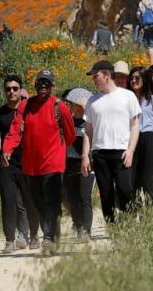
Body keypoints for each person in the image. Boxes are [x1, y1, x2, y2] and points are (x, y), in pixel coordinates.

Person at [3, 70, 75, 255]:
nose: (43, 85)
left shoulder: (60, 107)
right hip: (31, 165)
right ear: (34, 85)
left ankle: (49, 238)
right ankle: (51, 237)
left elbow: (70, 134)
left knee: (52, 201)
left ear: (52, 86)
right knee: (38, 203)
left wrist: (58, 150)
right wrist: (8, 149)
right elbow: (15, 130)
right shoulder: (25, 106)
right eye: (40, 82)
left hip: (53, 163)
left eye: (47, 83)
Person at [0, 74, 39, 253]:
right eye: (8, 89)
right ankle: (9, 240)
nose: (11, 92)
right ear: (4, 91)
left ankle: (33, 236)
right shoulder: (0, 113)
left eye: (15, 88)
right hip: (6, 163)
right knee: (8, 201)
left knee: (30, 201)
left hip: (28, 161)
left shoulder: (30, 110)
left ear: (20, 90)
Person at [81, 61, 140, 222]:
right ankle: (113, 229)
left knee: (125, 190)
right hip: (99, 153)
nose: (93, 79)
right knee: (105, 195)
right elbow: (88, 130)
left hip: (122, 151)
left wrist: (131, 150)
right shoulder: (92, 101)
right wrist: (85, 156)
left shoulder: (127, 96)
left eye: (96, 76)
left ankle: (128, 227)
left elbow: (135, 126)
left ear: (107, 75)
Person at [127, 67, 153, 208]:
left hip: (150, 138)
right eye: (131, 78)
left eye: (137, 78)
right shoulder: (126, 99)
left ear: (144, 79)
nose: (133, 81)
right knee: (133, 180)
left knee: (150, 180)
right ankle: (135, 215)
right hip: (132, 140)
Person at [61, 88, 95, 241]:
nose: (72, 106)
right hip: (69, 163)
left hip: (87, 163)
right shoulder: (67, 122)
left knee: (85, 196)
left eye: (75, 104)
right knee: (72, 198)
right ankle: (78, 224)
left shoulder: (90, 122)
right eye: (72, 103)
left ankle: (86, 231)